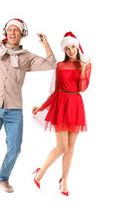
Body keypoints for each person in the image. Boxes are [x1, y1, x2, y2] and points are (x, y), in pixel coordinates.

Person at [0, 18, 56, 205]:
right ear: (5, 32)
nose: (12, 33)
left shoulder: (26, 56)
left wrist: (45, 43)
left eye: (17, 30)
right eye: (10, 29)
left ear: (22, 34)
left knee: (15, 148)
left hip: (14, 110)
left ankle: (2, 177)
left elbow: (51, 63)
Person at [31, 32, 91, 197]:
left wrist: (84, 69)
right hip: (61, 104)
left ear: (77, 46)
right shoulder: (60, 66)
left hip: (75, 105)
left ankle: (64, 180)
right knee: (62, 146)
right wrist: (42, 107)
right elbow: (55, 90)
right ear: (64, 50)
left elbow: (82, 88)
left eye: (72, 46)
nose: (70, 50)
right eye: (67, 48)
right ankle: (40, 172)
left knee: (71, 147)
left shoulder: (84, 64)